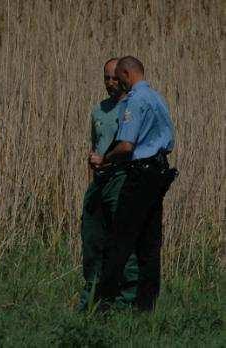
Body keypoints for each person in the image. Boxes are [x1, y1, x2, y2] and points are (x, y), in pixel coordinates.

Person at [89, 56, 176, 311]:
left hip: (140, 174)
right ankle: (146, 307)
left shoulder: (135, 101)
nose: (117, 82)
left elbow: (126, 146)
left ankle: (103, 305)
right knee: (150, 243)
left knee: (119, 240)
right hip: (159, 172)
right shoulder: (157, 98)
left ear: (127, 74)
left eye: (119, 77)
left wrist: (105, 158)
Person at [79, 58, 138, 310]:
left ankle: (126, 303)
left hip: (122, 179)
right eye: (106, 78)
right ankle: (92, 300)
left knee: (124, 242)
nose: (111, 83)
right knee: (92, 242)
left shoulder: (132, 107)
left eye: (115, 78)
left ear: (124, 77)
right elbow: (95, 144)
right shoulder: (98, 110)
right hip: (99, 182)